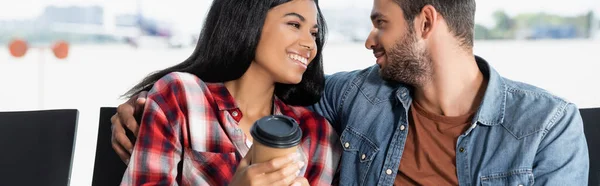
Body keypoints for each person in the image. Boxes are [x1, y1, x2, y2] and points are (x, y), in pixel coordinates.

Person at [112, 0, 590, 185]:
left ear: (426, 22)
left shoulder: (548, 127)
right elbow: (256, 104)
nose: (367, 40)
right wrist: (143, 105)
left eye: (380, 23)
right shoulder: (353, 100)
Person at [115, 0, 340, 185]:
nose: (310, 44)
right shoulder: (182, 96)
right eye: (294, 24)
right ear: (248, 21)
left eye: (313, 33)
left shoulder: (316, 133)